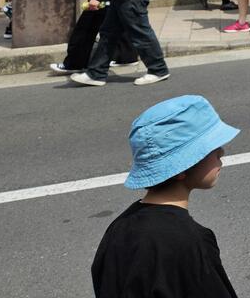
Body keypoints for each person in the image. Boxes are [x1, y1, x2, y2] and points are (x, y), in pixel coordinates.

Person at [91, 95, 240, 298]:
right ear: (181, 168)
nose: (222, 152)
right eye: (212, 148)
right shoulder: (191, 242)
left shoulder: (119, 229)